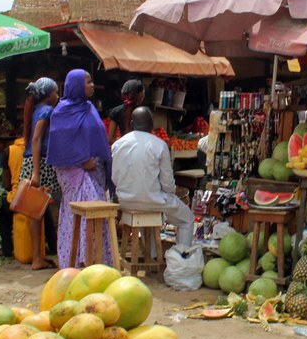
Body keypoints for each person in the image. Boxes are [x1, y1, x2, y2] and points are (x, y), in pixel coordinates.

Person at [47, 69, 113, 268]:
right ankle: (81, 261)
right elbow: (60, 144)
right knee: (82, 218)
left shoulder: (89, 108)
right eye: (88, 82)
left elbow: (96, 137)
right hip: (75, 173)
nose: (92, 85)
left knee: (96, 217)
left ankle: (98, 261)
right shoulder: (61, 112)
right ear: (76, 85)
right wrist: (82, 161)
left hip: (95, 172)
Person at [111, 107, 195, 256]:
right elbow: (168, 183)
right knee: (186, 219)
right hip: (153, 200)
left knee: (145, 214)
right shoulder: (159, 145)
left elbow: (115, 178)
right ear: (152, 125)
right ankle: (181, 259)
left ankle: (153, 255)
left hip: (125, 202)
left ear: (131, 123)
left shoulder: (118, 144)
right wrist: (169, 196)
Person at [21, 78, 61, 271]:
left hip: (32, 161)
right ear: (48, 94)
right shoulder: (47, 111)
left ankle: (38, 257)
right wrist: (37, 172)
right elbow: (37, 139)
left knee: (37, 213)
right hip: (40, 163)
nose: (58, 96)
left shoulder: (37, 110)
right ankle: (42, 256)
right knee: (48, 210)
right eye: (56, 92)